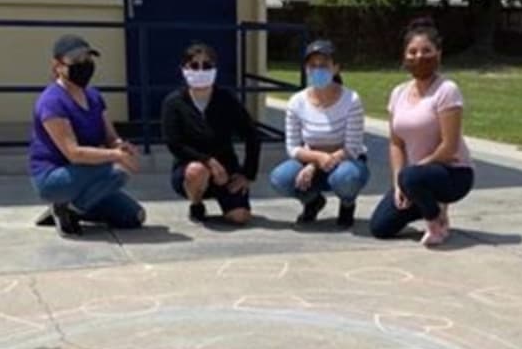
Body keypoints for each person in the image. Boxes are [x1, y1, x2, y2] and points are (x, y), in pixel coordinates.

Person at [28, 34, 145, 238]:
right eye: (77, 60)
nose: (85, 65)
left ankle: (74, 208)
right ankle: (64, 206)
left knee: (134, 216)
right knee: (118, 169)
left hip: (89, 174)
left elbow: (110, 137)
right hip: (54, 176)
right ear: (58, 65)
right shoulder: (52, 101)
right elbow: (73, 153)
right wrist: (116, 156)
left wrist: (121, 146)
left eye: (88, 59)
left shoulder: (94, 96)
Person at [370, 19, 474, 246]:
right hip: (417, 177)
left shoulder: (447, 90)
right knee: (380, 226)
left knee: (412, 176)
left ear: (438, 53)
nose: (419, 57)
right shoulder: (398, 93)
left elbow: (450, 147)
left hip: (453, 173)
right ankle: (427, 202)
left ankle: (436, 221)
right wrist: (399, 184)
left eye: (426, 51)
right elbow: (396, 143)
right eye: (413, 52)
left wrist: (411, 175)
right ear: (404, 56)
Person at [268, 39, 370, 228]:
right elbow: (292, 147)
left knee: (347, 178)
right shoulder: (296, 102)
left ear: (336, 68)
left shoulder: (352, 100)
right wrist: (316, 160)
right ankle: (312, 201)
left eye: (324, 65)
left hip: (346, 161)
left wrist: (316, 164)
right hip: (311, 158)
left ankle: (347, 203)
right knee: (280, 178)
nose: (317, 70)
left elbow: (352, 147)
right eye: (312, 65)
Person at [160, 42, 261, 225]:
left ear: (215, 69)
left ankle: (229, 201)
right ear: (184, 69)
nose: (200, 70)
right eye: (194, 65)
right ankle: (196, 204)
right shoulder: (174, 102)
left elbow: (251, 134)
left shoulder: (227, 99)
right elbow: (175, 144)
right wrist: (208, 161)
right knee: (197, 171)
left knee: (240, 218)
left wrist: (247, 174)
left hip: (227, 171)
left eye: (206, 65)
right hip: (191, 171)